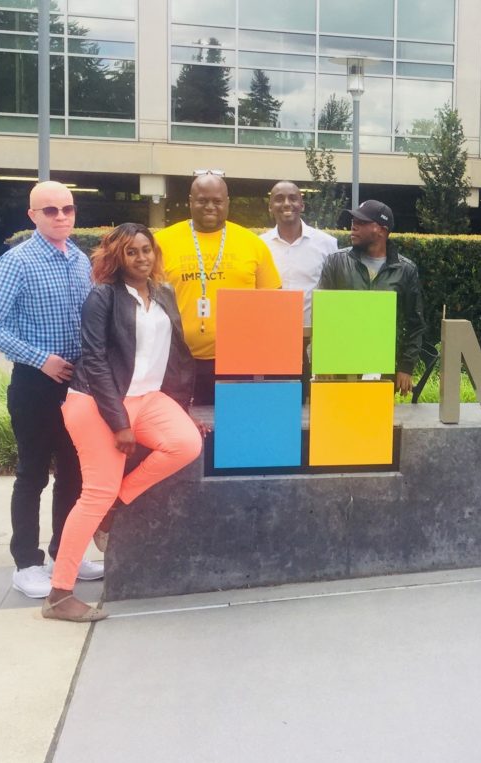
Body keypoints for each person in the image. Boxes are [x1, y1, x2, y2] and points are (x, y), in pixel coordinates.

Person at [44, 223, 202, 622]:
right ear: (118, 257)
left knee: (186, 444)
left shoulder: (164, 293)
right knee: (95, 492)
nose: (142, 258)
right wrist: (118, 423)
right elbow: (94, 360)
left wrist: (181, 405)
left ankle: (118, 502)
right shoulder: (103, 297)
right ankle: (60, 594)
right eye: (132, 252)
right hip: (97, 402)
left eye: (147, 250)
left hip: (148, 398)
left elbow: (176, 354)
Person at [0, 181, 103, 599]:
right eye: (50, 210)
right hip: (35, 385)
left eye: (67, 208)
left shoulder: (81, 261)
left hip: (78, 387)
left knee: (74, 474)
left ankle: (66, 552)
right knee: (32, 475)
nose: (61, 216)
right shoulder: (17, 262)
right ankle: (26, 563)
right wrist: (40, 358)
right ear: (32, 216)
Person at [155, 171, 281, 405]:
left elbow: (272, 305)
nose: (210, 206)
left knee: (235, 430)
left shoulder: (253, 244)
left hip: (240, 362)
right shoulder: (162, 243)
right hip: (176, 361)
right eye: (202, 200)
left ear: (228, 203)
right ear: (190, 202)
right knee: (185, 433)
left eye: (217, 201)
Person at [318, 200, 425, 396]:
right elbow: (322, 317)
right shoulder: (335, 262)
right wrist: (323, 361)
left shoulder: (406, 270)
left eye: (362, 221)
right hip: (339, 366)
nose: (353, 225)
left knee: (376, 423)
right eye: (353, 220)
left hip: (381, 367)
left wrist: (406, 367)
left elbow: (414, 323)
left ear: (381, 230)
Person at [260, 180, 338, 327]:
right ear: (270, 207)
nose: (287, 203)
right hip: (271, 331)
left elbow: (334, 293)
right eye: (279, 199)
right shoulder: (259, 245)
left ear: (302, 205)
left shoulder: (327, 244)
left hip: (314, 335)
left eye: (293, 198)